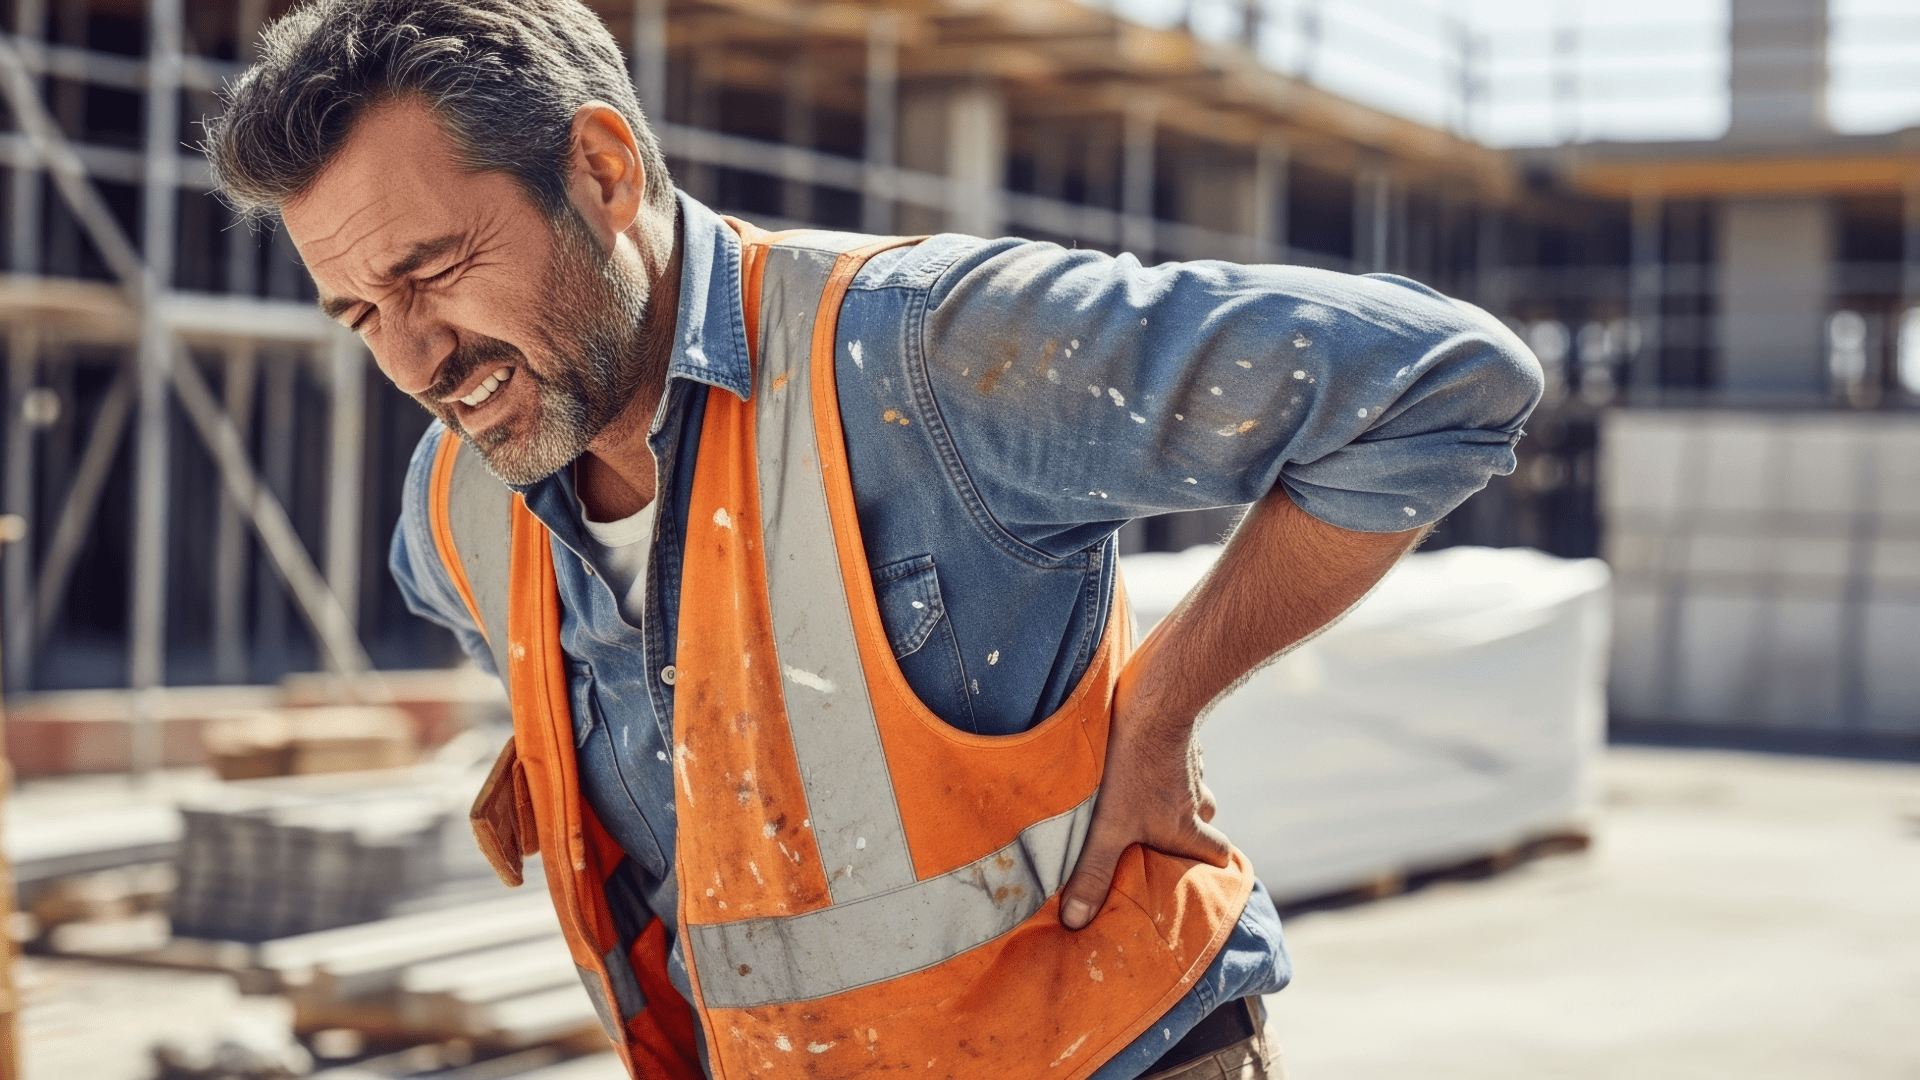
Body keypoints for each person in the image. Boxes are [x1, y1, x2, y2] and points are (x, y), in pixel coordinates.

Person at [205, 0, 1540, 1076]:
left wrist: (1163, 707)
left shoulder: (922, 356)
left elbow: (1441, 383)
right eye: (359, 314)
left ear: (603, 172)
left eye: (434, 271)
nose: (418, 356)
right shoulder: (455, 513)